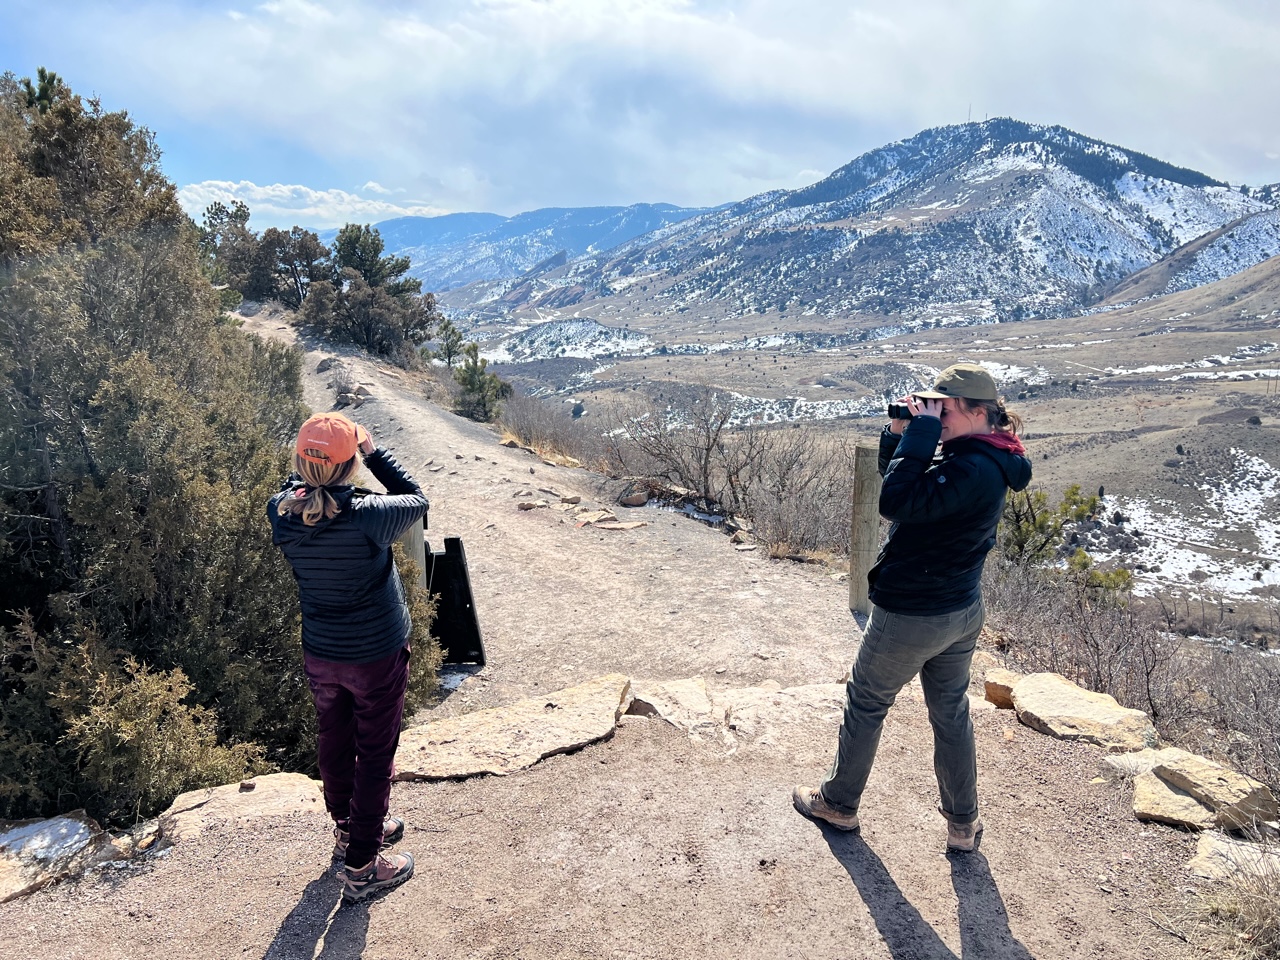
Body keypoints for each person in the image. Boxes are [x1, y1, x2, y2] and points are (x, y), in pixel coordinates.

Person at [793, 363, 1031, 851]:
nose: (935, 416)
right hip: (960, 609)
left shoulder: (972, 466)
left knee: (866, 702)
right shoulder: (988, 455)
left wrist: (921, 433)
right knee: (950, 712)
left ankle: (837, 804)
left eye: (944, 409)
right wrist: (899, 435)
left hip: (914, 613)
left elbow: (896, 503)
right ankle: (963, 824)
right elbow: (909, 489)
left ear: (978, 411)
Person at [268, 412, 429, 902]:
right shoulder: (369, 515)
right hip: (376, 653)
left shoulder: (281, 510)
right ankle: (362, 866)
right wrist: (374, 453)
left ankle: (348, 830)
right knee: (375, 754)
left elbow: (300, 488)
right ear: (351, 463)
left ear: (300, 462)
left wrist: (316, 466)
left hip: (321, 651)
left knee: (334, 739)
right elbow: (416, 497)